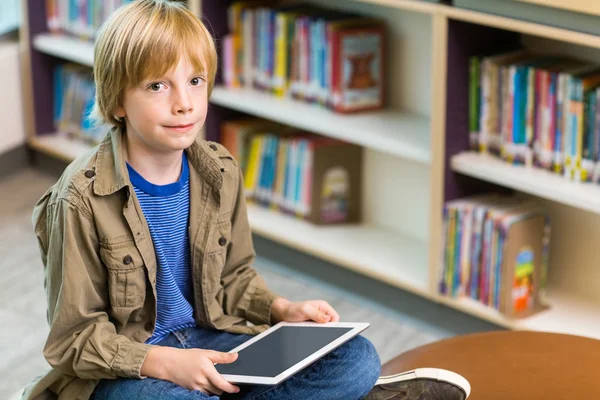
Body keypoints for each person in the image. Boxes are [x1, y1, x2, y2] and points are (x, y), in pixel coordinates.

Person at [26, 1, 470, 399]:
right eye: (157, 86)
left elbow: (233, 279)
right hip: (130, 370)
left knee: (357, 358)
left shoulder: (218, 170)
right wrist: (165, 364)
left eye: (195, 81)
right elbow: (73, 340)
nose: (184, 103)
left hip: (210, 339)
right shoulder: (79, 198)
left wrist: (281, 310)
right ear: (117, 99)